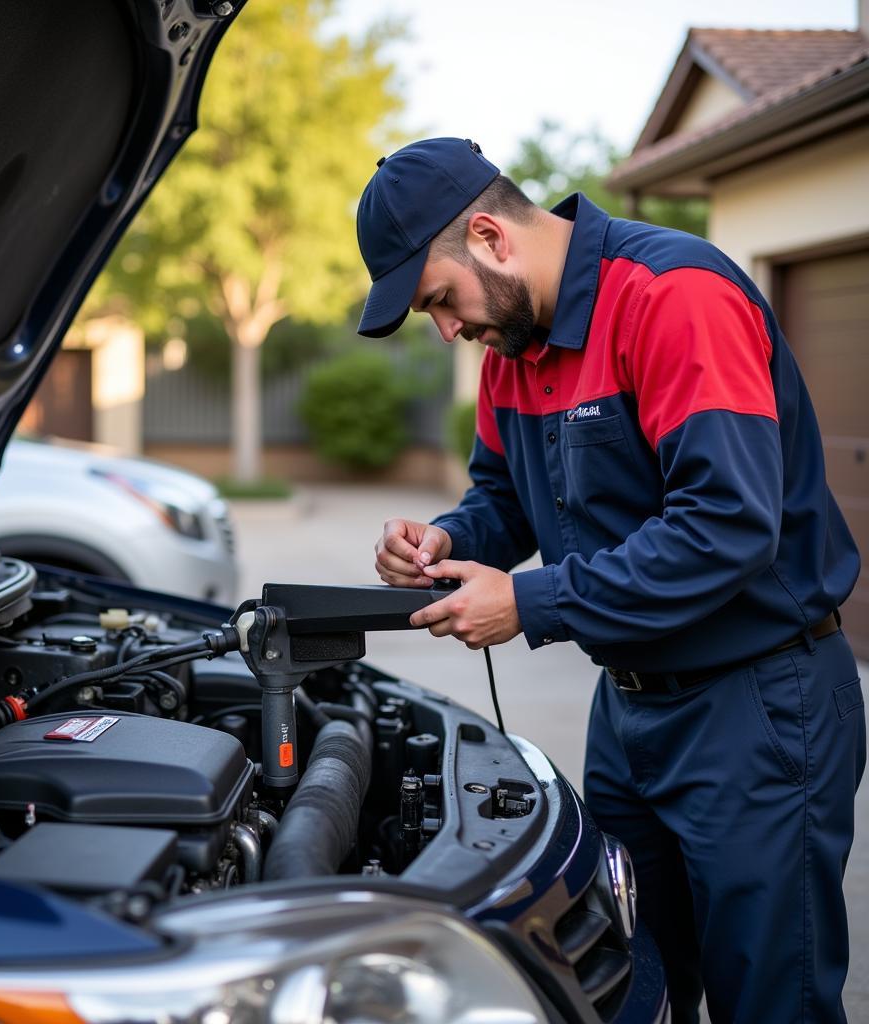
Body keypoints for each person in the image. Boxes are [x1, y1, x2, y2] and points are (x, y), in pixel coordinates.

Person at [355, 136, 865, 1024]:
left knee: (770, 1001)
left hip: (758, 707)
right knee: (625, 986)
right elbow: (504, 501)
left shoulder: (674, 296)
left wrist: (530, 601)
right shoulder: (513, 351)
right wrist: (440, 540)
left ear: (490, 235)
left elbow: (727, 526)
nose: (448, 331)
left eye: (440, 300)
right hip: (628, 717)